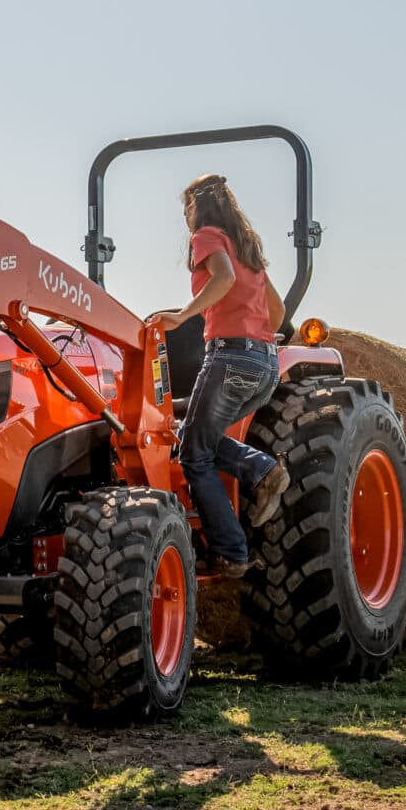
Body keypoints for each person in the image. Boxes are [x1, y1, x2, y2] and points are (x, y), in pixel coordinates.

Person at [155, 174, 292, 572]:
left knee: (193, 455)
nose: (185, 217)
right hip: (264, 364)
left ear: (198, 206)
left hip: (230, 358)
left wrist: (182, 316)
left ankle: (231, 550)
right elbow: (278, 314)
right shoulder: (246, 246)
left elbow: (224, 278)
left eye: (186, 208)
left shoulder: (207, 236)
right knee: (198, 439)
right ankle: (261, 470)